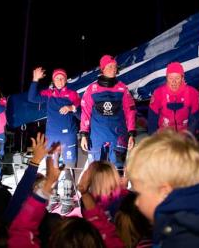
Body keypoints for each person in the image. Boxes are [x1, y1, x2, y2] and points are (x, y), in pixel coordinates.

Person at [28, 67, 81, 215]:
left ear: (66, 80)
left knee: (69, 168)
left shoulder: (72, 94)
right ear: (53, 80)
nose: (60, 80)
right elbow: (32, 98)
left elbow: (81, 112)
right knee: (52, 168)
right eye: (57, 78)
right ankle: (54, 197)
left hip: (68, 136)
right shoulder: (49, 94)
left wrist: (71, 107)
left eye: (63, 78)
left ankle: (68, 199)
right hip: (52, 138)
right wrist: (35, 80)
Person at [80, 54, 136, 170]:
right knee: (96, 173)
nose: (113, 69)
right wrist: (84, 135)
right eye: (110, 66)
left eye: (115, 67)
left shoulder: (123, 89)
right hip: (96, 139)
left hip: (118, 138)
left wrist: (131, 134)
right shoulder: (92, 89)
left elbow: (130, 112)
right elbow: (85, 112)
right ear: (103, 69)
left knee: (118, 173)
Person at [148, 62, 199, 135]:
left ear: (182, 78)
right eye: (170, 78)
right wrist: (153, 141)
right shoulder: (158, 93)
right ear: (166, 78)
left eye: (177, 78)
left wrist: (189, 139)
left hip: (184, 136)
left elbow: (194, 120)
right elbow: (152, 120)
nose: (174, 82)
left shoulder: (192, 93)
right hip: (164, 136)